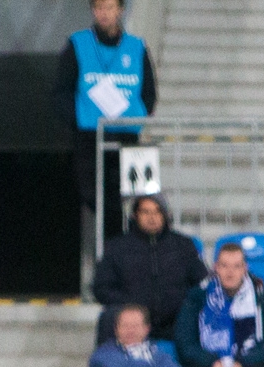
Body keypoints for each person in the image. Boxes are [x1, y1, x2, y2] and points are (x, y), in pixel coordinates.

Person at [53, 0, 157, 241]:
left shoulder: (136, 46)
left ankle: (128, 246)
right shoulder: (78, 44)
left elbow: (149, 92)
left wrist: (139, 115)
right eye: (99, 8)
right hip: (90, 135)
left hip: (127, 134)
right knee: (94, 196)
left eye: (110, 7)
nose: (104, 14)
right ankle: (117, 247)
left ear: (120, 10)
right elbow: (61, 92)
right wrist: (78, 118)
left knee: (134, 196)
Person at [174, 243, 264, 367]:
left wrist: (241, 365)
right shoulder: (197, 297)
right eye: (224, 266)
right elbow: (185, 344)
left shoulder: (263, 298)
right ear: (216, 267)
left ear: (245, 268)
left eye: (236, 266)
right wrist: (215, 364)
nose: (230, 272)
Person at [91, 195, 207, 342]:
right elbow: (101, 288)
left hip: (176, 322)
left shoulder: (183, 246)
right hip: (132, 323)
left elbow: (202, 282)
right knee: (108, 317)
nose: (152, 217)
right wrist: (132, 306)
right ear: (135, 215)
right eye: (145, 212)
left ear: (165, 215)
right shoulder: (117, 248)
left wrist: (184, 304)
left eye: (157, 212)